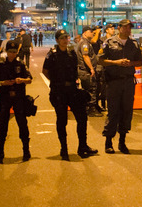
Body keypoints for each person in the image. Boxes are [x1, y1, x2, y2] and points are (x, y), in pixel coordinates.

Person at [42, 29, 99, 160]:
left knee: (82, 118)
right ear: (57, 40)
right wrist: (56, 81)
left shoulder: (71, 52)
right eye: (62, 38)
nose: (65, 40)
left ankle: (83, 146)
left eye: (66, 37)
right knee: (62, 120)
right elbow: (45, 71)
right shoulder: (52, 54)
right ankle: (64, 148)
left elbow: (75, 68)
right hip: (59, 91)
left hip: (72, 89)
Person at [98, 19, 142, 154]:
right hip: (113, 82)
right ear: (119, 28)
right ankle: (108, 142)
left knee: (126, 112)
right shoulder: (109, 42)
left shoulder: (133, 44)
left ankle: (122, 142)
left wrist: (131, 64)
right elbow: (100, 60)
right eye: (125, 27)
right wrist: (116, 62)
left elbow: (140, 61)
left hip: (128, 82)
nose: (128, 30)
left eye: (130, 27)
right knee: (113, 112)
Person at [0, 40, 33, 163]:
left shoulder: (21, 64)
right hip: (5, 98)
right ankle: (0, 151)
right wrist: (1, 83)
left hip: (19, 98)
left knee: (22, 124)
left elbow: (29, 79)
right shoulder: (1, 64)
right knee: (2, 125)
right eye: (10, 52)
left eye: (14, 52)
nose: (12, 54)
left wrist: (22, 80)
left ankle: (26, 150)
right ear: (6, 52)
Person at [76, 25, 102, 117]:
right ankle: (91, 109)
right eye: (90, 31)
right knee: (91, 89)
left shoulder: (87, 42)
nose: (92, 33)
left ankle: (89, 107)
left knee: (89, 89)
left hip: (85, 71)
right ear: (84, 33)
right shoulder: (84, 43)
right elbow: (85, 56)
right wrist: (91, 68)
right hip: (86, 71)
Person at [97, 23, 117, 110]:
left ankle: (111, 104)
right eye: (111, 28)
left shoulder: (115, 40)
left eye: (113, 28)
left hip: (112, 66)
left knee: (112, 86)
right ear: (107, 30)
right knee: (103, 86)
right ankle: (103, 104)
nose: (113, 30)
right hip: (104, 65)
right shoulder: (102, 40)